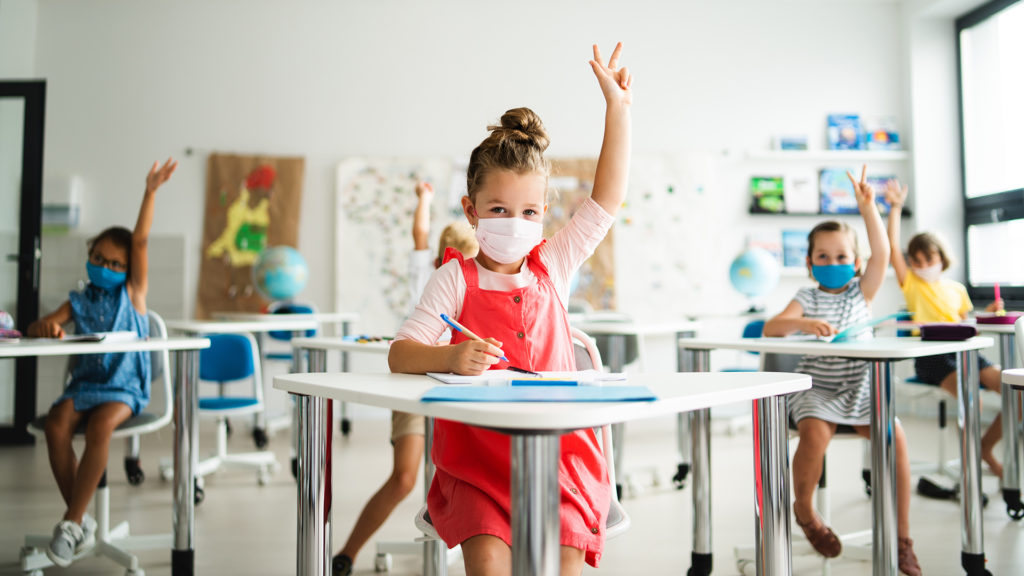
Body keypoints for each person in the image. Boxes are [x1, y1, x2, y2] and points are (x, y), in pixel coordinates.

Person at [387, 42, 631, 575]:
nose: (512, 221)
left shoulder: (555, 264)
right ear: (471, 212)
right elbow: (399, 355)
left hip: (561, 457)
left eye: (526, 211)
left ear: (543, 213)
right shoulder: (453, 278)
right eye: (498, 209)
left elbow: (607, 200)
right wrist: (450, 359)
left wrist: (618, 110)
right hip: (476, 466)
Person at [764, 167, 921, 576]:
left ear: (855, 263)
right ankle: (805, 511)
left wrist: (869, 208)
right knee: (815, 432)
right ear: (810, 263)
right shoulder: (805, 296)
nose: (832, 262)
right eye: (823, 257)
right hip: (817, 387)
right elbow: (772, 327)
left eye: (841, 256)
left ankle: (903, 539)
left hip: (862, 386)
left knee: (896, 437)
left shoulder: (861, 291)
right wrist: (804, 323)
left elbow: (883, 254)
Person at [27, 158, 177, 567]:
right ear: (89, 257)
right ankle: (82, 522)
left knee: (100, 426)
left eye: (116, 263)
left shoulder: (133, 294)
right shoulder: (78, 300)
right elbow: (44, 324)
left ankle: (72, 522)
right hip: (85, 383)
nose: (106, 267)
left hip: (124, 386)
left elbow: (141, 240)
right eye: (99, 258)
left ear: (128, 270)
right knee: (56, 424)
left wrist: (150, 192)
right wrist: (48, 328)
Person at [331, 181, 478, 576]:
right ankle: (346, 553)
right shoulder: (430, 275)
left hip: (458, 393)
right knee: (404, 477)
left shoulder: (482, 282)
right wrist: (424, 200)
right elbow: (419, 234)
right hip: (416, 389)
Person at [884, 179, 1005, 477]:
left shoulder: (956, 289)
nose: (923, 264)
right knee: (970, 400)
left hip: (967, 354)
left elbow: (969, 325)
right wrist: (896, 208)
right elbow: (891, 248)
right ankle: (972, 462)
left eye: (930, 258)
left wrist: (985, 316)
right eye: (917, 260)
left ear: (942, 257)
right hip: (933, 358)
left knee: (1016, 392)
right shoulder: (911, 284)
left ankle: (984, 447)